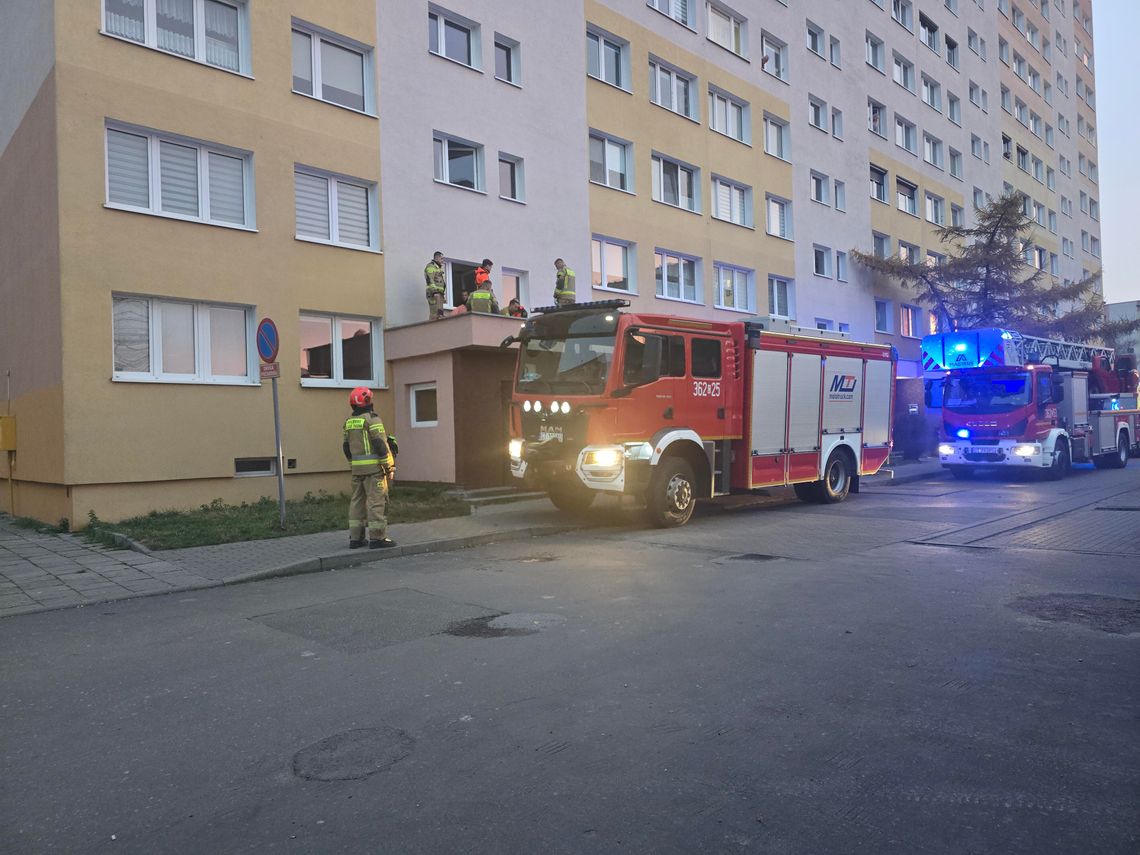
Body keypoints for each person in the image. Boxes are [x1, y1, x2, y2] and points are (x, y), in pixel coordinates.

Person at [343, 387, 396, 549]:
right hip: (374, 470)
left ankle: (356, 538)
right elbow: (380, 445)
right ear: (366, 401)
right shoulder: (373, 419)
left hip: (357, 471)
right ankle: (377, 538)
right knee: (376, 502)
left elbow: (346, 447)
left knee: (357, 503)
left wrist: (353, 465)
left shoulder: (349, 422)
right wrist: (389, 467)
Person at [424, 251, 447, 322]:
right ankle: (430, 329)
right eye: (442, 259)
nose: (443, 261)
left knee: (440, 314)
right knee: (434, 313)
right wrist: (434, 292)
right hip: (434, 294)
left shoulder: (438, 268)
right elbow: (430, 279)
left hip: (439, 294)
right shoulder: (431, 266)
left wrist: (442, 295)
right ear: (437, 258)